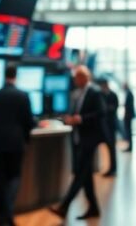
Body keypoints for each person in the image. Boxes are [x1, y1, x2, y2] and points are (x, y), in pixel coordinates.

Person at [50, 66, 107, 220]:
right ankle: (94, 208)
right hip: (79, 137)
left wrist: (81, 119)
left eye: (77, 77)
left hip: (90, 138)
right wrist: (69, 118)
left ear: (84, 77)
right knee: (86, 176)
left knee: (80, 174)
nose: (75, 80)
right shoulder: (78, 93)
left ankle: (64, 206)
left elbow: (101, 112)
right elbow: (77, 112)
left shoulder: (94, 92)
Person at [0, 64, 36, 226]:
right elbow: (29, 122)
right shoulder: (23, 96)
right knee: (14, 178)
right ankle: (7, 217)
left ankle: (3, 218)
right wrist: (25, 141)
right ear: (16, 76)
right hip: (16, 144)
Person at [97, 78, 119, 176]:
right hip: (103, 126)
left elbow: (114, 108)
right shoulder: (100, 95)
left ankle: (113, 169)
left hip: (111, 126)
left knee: (112, 148)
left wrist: (105, 109)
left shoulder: (113, 95)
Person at [122, 82, 135, 152]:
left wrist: (126, 115)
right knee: (128, 131)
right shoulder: (129, 93)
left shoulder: (129, 93)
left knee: (128, 131)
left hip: (128, 115)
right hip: (128, 115)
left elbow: (128, 106)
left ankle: (130, 147)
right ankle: (129, 146)